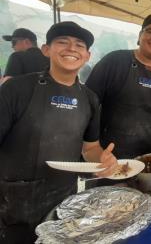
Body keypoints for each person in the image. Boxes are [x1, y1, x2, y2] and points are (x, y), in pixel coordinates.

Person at [0, 21, 118, 244]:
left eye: (79, 45)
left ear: (87, 55)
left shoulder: (90, 99)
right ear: (46, 50)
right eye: (62, 42)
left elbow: (91, 148)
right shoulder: (16, 89)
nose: (71, 49)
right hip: (12, 205)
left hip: (63, 202)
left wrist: (103, 160)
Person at [86, 14, 151, 159]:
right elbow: (88, 105)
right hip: (109, 156)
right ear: (140, 36)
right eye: (150, 32)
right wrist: (91, 148)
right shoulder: (114, 61)